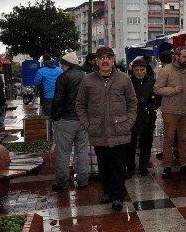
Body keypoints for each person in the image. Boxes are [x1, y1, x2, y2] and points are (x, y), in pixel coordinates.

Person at [76, 47, 137, 211]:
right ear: (96, 61)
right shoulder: (87, 80)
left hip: (120, 131)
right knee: (103, 166)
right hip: (98, 131)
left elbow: (132, 103)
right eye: (101, 58)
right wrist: (87, 124)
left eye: (108, 58)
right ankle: (108, 192)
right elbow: (80, 105)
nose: (105, 60)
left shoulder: (124, 79)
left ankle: (118, 196)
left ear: (113, 60)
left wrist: (128, 122)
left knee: (118, 166)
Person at [153, 46, 186, 179]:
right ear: (176, 57)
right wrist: (173, 90)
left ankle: (185, 164)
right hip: (170, 111)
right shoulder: (165, 71)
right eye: (184, 57)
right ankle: (167, 166)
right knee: (169, 139)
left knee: (184, 139)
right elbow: (157, 89)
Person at [50, 52, 89, 191]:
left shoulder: (63, 77)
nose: (61, 67)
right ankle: (83, 181)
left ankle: (61, 183)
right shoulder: (85, 76)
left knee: (63, 153)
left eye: (62, 65)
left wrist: (55, 116)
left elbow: (58, 99)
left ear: (66, 64)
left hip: (66, 120)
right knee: (82, 151)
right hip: (83, 120)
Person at [126, 58, 157, 178]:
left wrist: (152, 106)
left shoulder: (152, 81)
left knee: (146, 144)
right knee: (130, 145)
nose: (139, 72)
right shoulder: (128, 82)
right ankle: (130, 168)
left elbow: (157, 97)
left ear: (146, 70)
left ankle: (143, 167)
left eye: (142, 70)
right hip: (132, 118)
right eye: (137, 70)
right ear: (133, 70)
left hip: (147, 117)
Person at [34, 54, 62, 118]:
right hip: (59, 97)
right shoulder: (60, 70)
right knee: (58, 116)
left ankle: (49, 127)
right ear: (51, 60)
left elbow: (36, 83)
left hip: (47, 97)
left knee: (48, 117)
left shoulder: (41, 71)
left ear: (43, 60)